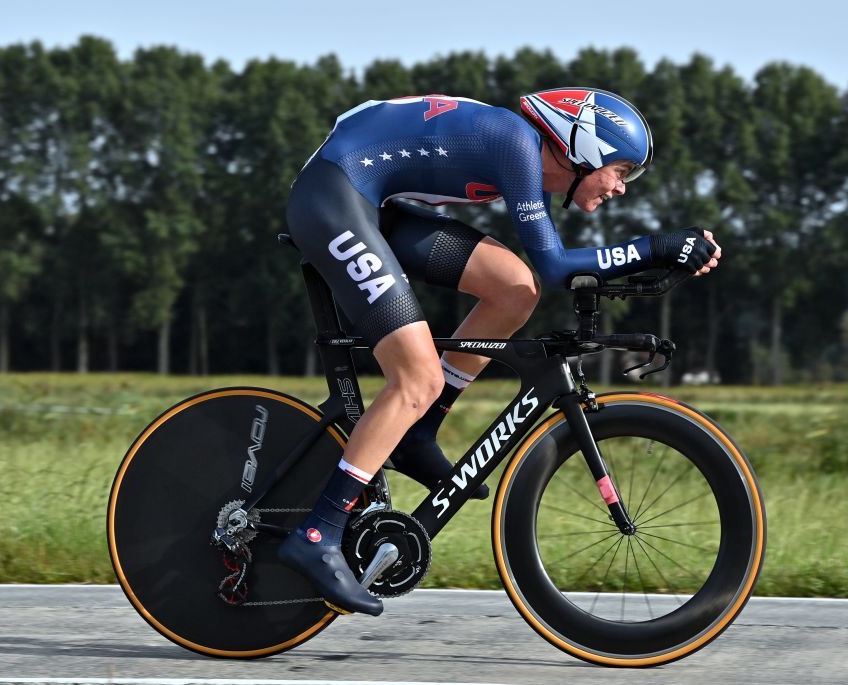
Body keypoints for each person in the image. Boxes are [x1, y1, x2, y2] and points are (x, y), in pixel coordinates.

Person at [279, 88, 721, 616]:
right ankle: (316, 532)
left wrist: (662, 257)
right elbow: (559, 266)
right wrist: (657, 247)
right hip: (332, 198)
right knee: (415, 377)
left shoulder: (519, 151)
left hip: (371, 201)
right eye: (620, 169)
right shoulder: (515, 144)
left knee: (516, 288)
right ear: (584, 147)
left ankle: (418, 432)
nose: (621, 187)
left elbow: (542, 274)